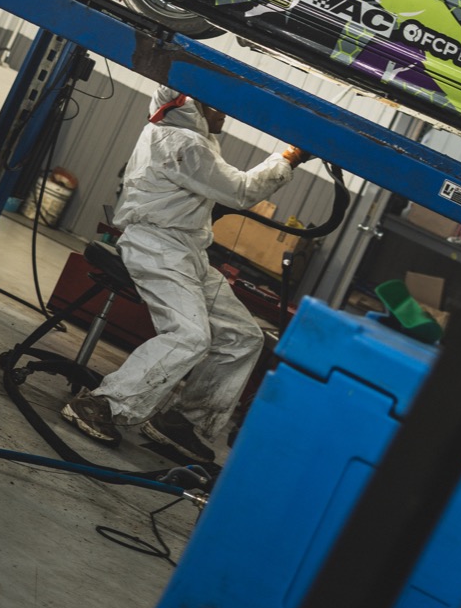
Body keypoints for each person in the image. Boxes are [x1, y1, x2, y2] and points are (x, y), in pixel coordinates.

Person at [61, 87, 310, 462]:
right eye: (217, 106)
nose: (225, 114)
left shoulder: (194, 138)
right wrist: (289, 157)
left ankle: (179, 421)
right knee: (190, 335)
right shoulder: (181, 140)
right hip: (155, 248)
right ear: (193, 106)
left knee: (243, 337)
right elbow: (241, 191)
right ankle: (102, 404)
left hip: (186, 251)